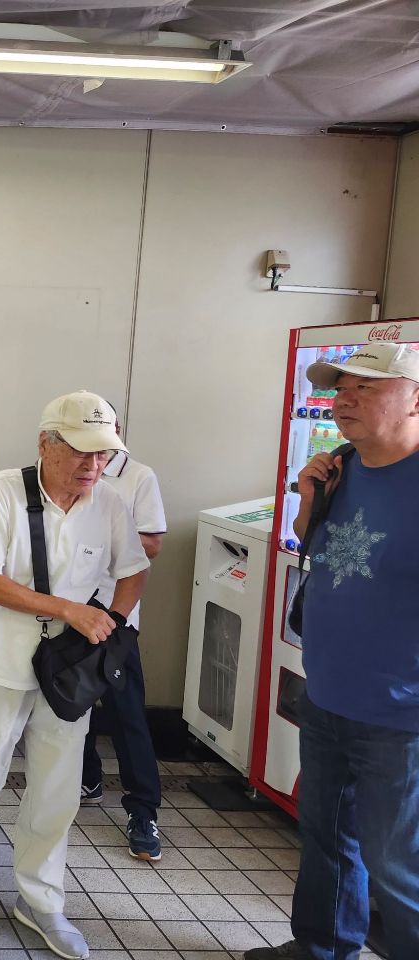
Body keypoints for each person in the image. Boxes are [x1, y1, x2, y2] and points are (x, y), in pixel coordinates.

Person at [0, 390, 149, 960]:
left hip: (69, 676)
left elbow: (133, 570)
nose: (94, 465)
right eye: (82, 451)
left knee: (58, 787)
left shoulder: (110, 502)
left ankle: (41, 899)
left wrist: (111, 625)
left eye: (103, 454)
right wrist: (71, 611)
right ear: (46, 443)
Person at [244, 342, 419, 960]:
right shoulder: (340, 465)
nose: (345, 398)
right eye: (341, 387)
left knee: (398, 864)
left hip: (401, 715)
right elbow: (317, 546)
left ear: (416, 400)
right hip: (327, 692)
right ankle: (320, 949)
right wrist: (307, 502)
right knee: (326, 838)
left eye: (366, 387)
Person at [81, 412, 167, 862]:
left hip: (117, 611)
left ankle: (143, 810)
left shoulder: (138, 476)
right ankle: (88, 778)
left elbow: (152, 543)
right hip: (70, 608)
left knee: (126, 711)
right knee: (70, 699)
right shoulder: (66, 470)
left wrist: (103, 536)